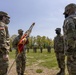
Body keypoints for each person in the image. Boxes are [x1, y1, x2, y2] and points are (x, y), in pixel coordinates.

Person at [63, 3, 76, 75]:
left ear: (68, 10)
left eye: (66, 12)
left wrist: (70, 53)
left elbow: (71, 37)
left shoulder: (69, 20)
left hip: (73, 54)